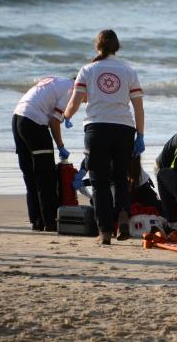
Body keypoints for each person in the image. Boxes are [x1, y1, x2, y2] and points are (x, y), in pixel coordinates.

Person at [64, 29, 144, 245]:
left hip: (97, 129)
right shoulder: (129, 71)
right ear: (117, 47)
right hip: (124, 129)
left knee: (99, 182)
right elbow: (138, 107)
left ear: (96, 46)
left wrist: (66, 116)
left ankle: (106, 232)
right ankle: (124, 216)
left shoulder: (87, 70)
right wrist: (141, 134)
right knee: (120, 179)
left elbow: (74, 102)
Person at [12, 76, 73, 232]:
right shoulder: (72, 90)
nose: (84, 101)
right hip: (34, 122)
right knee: (46, 175)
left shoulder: (57, 81)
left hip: (18, 117)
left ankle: (37, 221)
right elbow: (54, 122)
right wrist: (61, 146)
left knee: (30, 174)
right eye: (86, 98)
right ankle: (50, 222)